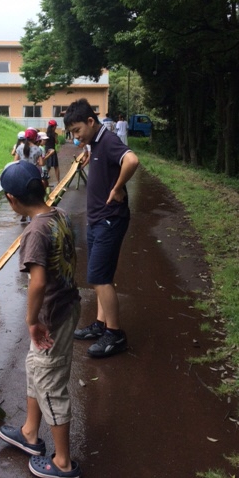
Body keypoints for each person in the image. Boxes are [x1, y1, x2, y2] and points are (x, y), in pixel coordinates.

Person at [0, 160, 82, 478]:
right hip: (67, 305)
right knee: (36, 367)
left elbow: (38, 282)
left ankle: (63, 463)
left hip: (51, 318)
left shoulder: (34, 232)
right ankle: (30, 434)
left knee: (50, 383)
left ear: (11, 200)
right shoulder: (59, 215)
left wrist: (32, 321)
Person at [64, 98, 139, 358]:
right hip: (97, 218)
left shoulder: (108, 141)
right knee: (98, 277)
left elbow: (131, 161)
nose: (75, 136)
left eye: (77, 131)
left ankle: (115, 334)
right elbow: (100, 157)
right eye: (72, 133)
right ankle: (100, 324)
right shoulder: (95, 143)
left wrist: (117, 188)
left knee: (99, 278)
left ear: (90, 122)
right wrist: (88, 155)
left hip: (110, 218)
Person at [45, 120, 60, 184]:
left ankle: (45, 180)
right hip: (52, 151)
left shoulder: (46, 134)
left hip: (47, 150)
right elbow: (57, 142)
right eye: (55, 126)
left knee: (48, 167)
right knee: (56, 166)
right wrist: (56, 137)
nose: (56, 127)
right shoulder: (54, 134)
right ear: (52, 127)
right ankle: (58, 181)